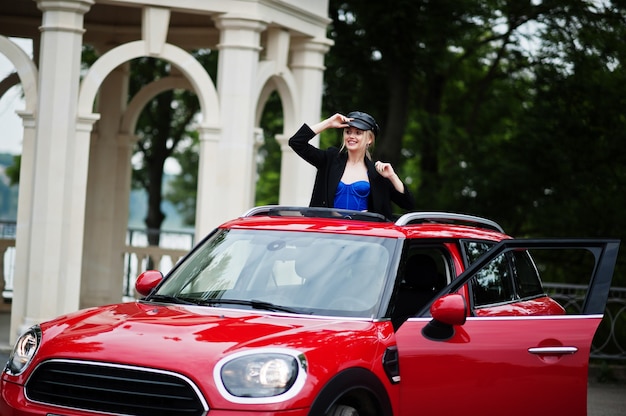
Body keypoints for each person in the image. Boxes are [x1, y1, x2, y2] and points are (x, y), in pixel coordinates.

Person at [288, 111, 415, 219]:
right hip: (327, 234)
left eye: (358, 133)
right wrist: (328, 123)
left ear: (369, 139)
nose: (351, 136)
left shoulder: (377, 172)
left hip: (361, 238)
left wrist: (392, 176)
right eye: (348, 132)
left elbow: (407, 204)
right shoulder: (330, 160)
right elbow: (296, 142)